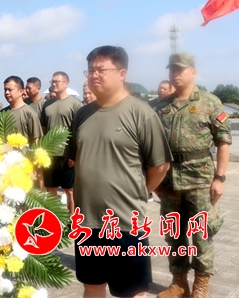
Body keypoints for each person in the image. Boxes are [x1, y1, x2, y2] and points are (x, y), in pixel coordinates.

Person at [70, 45, 171, 298]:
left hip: (125, 221)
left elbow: (160, 165)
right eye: (90, 70)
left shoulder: (141, 113)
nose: (94, 75)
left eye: (101, 69)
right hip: (87, 220)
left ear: (122, 73)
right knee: (92, 285)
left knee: (131, 290)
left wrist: (137, 192)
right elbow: (76, 159)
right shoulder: (82, 114)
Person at [154, 53, 231, 298]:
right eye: (172, 69)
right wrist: (154, 180)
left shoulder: (210, 102)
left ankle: (200, 286)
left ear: (193, 72)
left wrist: (219, 178)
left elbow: (223, 142)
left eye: (180, 69)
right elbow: (152, 144)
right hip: (169, 180)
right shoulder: (161, 106)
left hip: (200, 180)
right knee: (173, 233)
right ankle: (179, 283)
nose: (175, 74)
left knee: (202, 234)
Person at [40, 71, 82, 214]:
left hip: (67, 154)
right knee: (50, 190)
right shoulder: (47, 105)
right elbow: (43, 129)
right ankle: (54, 220)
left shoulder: (75, 104)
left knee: (70, 191)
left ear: (66, 83)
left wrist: (74, 154)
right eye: (52, 81)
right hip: (50, 154)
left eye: (57, 81)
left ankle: (73, 220)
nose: (54, 84)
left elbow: (79, 131)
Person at [0, 76, 42, 144]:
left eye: (10, 90)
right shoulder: (1, 113)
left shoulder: (29, 113)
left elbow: (36, 140)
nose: (6, 92)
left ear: (21, 91)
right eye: (5, 90)